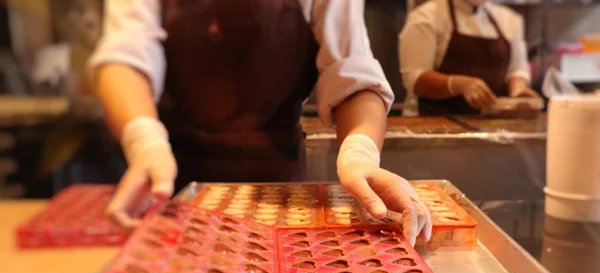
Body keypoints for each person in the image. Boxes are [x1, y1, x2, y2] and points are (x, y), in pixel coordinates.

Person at [89, 0, 432, 245]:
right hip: (171, 185)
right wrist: (144, 139)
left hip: (284, 194)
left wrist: (359, 151)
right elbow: (125, 56)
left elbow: (352, 71)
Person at [399, 0, 540, 116]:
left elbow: (516, 70)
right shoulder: (426, 17)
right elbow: (413, 77)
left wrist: (518, 89)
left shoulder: (510, 19)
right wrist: (458, 84)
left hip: (492, 125)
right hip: (433, 123)